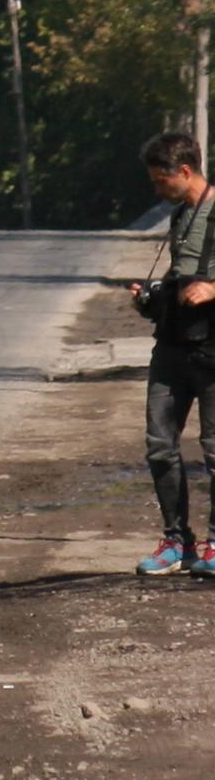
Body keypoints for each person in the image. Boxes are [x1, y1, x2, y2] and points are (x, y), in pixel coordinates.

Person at [134, 132, 215, 577]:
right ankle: (176, 542)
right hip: (172, 347)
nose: (157, 189)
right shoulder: (181, 215)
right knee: (160, 446)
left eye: (161, 180)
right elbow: (179, 277)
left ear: (185, 171)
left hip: (212, 348)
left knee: (214, 449)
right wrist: (151, 297)